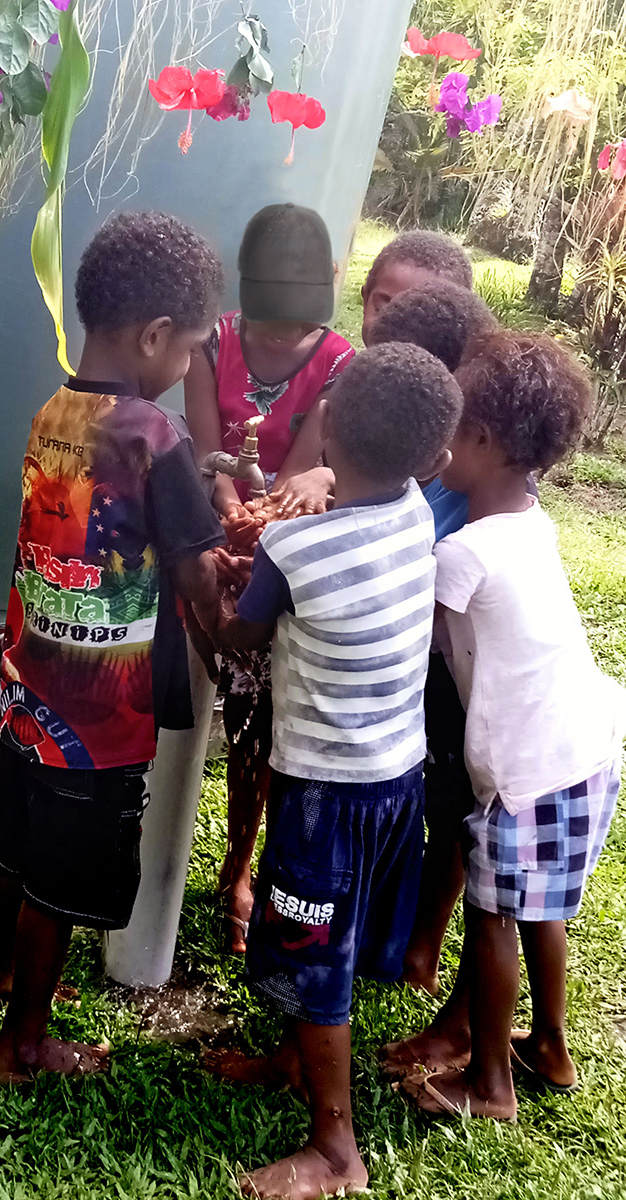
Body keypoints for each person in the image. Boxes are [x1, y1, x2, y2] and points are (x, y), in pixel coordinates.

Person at [0, 211, 226, 1082]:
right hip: (101, 716)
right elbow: (199, 577)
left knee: (22, 841)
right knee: (63, 880)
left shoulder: (56, 407)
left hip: (32, 690)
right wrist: (237, 623)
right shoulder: (155, 436)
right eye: (190, 348)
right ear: (155, 336)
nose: (189, 365)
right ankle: (25, 1044)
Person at [209, 343, 463, 1199]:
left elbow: (240, 634)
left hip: (324, 794)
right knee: (332, 936)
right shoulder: (418, 512)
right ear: (434, 461)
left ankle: (335, 1152)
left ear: (326, 429)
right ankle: (289, 1059)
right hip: (398, 780)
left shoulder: (293, 549)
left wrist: (208, 584)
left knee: (319, 958)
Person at [390, 332, 625, 1121]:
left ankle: (489, 1085)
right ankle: (550, 1048)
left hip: (524, 777)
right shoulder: (534, 523)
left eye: (449, 430)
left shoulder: (462, 554)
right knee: (539, 910)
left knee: (492, 918)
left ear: (481, 441)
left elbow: (403, 632)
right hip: (586, 752)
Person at [184, 202, 354, 953]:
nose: (282, 338)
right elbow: (199, 450)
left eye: (296, 325)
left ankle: (237, 866)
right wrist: (226, 500)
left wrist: (255, 520)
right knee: (165, 695)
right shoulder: (211, 343)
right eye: (269, 322)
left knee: (257, 715)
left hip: (277, 547)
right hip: (203, 529)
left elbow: (292, 481)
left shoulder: (339, 362)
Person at [366, 281, 499, 995]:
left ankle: (422, 945)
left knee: (447, 812)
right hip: (396, 658)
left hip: (450, 668)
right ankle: (381, 926)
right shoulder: (397, 455)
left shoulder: (478, 474)